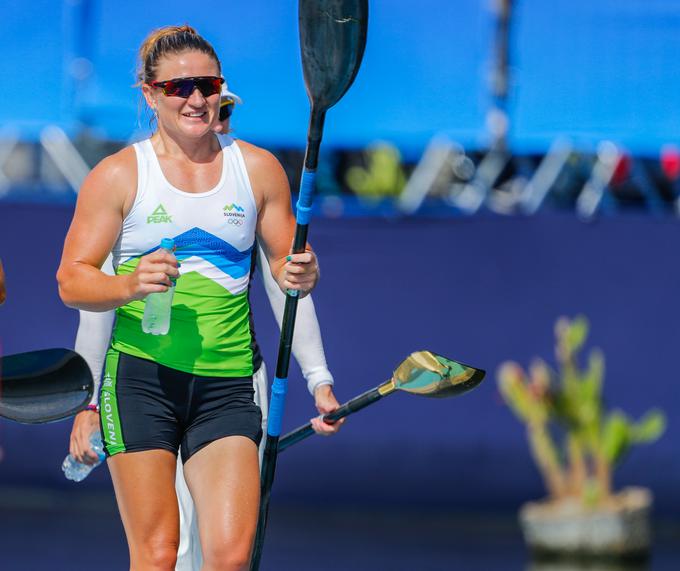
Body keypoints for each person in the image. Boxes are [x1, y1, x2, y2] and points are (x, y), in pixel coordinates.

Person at [57, 24, 341, 570]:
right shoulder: (117, 176)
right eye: (178, 88)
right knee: (160, 553)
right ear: (150, 94)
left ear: (221, 88)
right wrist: (127, 286)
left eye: (206, 85)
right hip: (142, 382)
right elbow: (72, 282)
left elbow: (289, 279)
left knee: (230, 559)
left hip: (228, 384)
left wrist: (318, 374)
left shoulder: (257, 170)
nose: (195, 98)